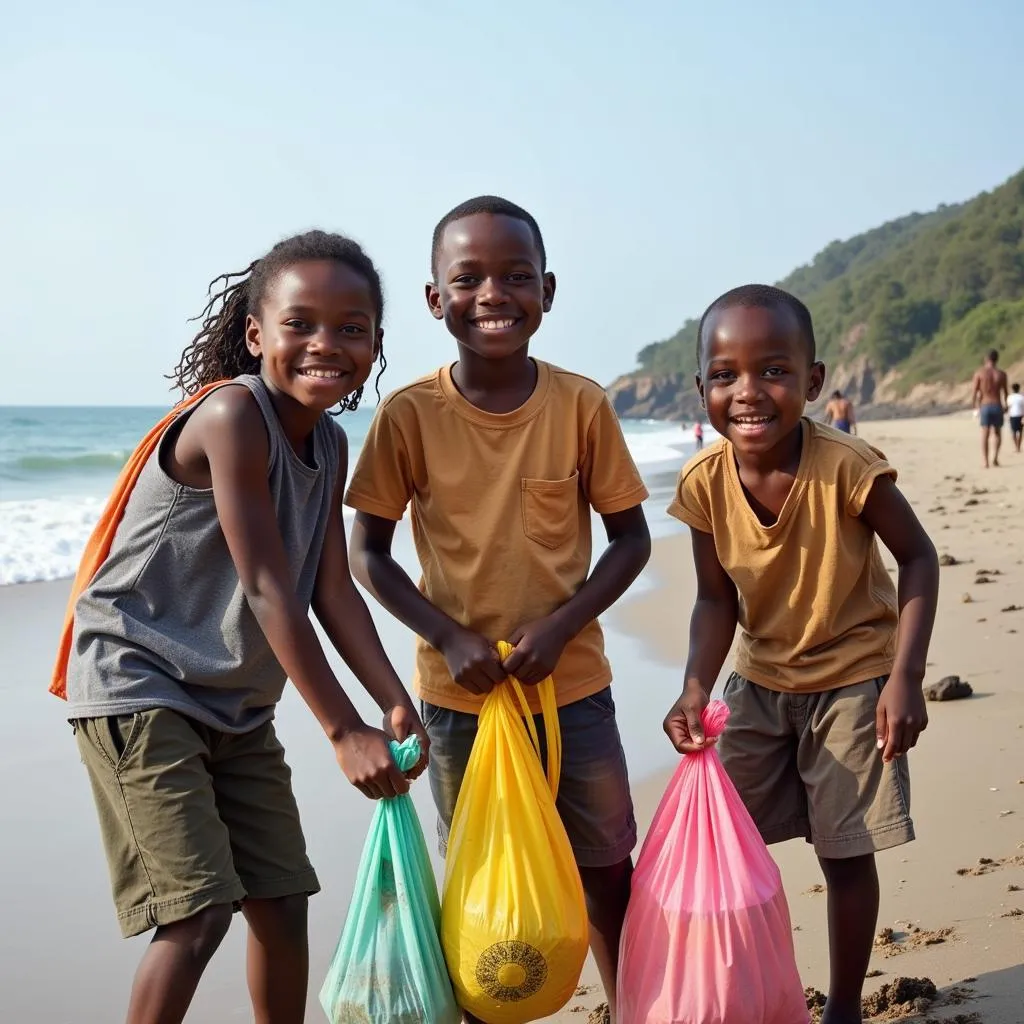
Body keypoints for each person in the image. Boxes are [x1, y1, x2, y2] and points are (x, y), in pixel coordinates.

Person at [64, 231, 429, 1024]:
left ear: (374, 344)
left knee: (281, 897)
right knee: (196, 916)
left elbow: (332, 588)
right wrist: (341, 730)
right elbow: (269, 587)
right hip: (141, 684)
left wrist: (394, 701)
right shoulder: (233, 414)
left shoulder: (329, 443)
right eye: (301, 323)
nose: (326, 345)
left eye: (352, 327)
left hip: (232, 701)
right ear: (257, 334)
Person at [346, 196, 652, 1022]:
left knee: (605, 871)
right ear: (433, 299)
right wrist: (446, 636)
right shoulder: (407, 414)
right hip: (460, 705)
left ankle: (627, 1008)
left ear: (547, 291)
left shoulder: (581, 405)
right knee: (483, 881)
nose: (493, 294)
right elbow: (364, 553)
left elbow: (630, 540)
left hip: (574, 689)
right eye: (469, 277)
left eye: (516, 277)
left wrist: (560, 626)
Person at [662, 284, 938, 1024]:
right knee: (720, 834)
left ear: (813, 382)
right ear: (702, 389)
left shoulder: (847, 467)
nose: (748, 393)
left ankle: (843, 1006)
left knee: (843, 853)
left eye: (774, 371)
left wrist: (904, 678)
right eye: (725, 375)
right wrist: (695, 686)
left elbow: (918, 558)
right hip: (759, 680)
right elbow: (716, 600)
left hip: (854, 681)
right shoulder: (704, 482)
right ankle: (736, 990)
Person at [971, 348, 1009, 468]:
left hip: (985, 405)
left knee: (985, 434)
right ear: (997, 359)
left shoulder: (979, 373)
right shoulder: (1002, 374)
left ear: (986, 359)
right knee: (997, 433)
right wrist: (1006, 406)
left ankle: (985, 462)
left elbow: (974, 392)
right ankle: (995, 458)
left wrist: (975, 407)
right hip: (997, 405)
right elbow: (1006, 393)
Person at [1008, 382, 1023, 454]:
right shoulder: (1021, 397)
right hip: (1020, 415)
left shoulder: (1010, 397)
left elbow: (1008, 406)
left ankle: (1016, 446)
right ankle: (1018, 447)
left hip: (1013, 416)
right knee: (1020, 432)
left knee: (1013, 432)